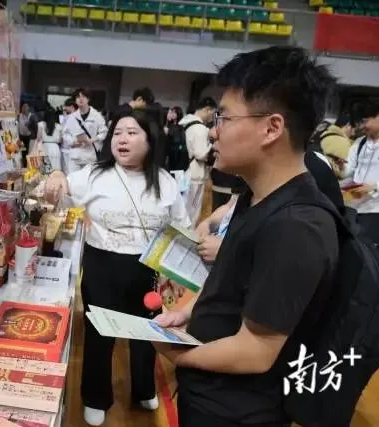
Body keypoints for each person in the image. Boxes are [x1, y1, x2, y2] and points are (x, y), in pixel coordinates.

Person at [154, 46, 339, 427]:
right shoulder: (254, 197)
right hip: (207, 394)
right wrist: (188, 312)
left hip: (237, 412)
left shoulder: (297, 226)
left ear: (272, 128)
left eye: (224, 117)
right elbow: (231, 283)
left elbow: (256, 350)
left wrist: (178, 355)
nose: (213, 130)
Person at [44, 110, 190, 426]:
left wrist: (175, 271)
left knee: (147, 330)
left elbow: (180, 226)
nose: (122, 139)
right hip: (103, 265)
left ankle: (143, 388)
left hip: (148, 268)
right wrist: (55, 175)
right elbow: (62, 183)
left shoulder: (164, 181)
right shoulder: (95, 174)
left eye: (132, 132)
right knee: (100, 333)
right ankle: (95, 397)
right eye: (118, 132)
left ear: (150, 140)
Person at [195, 127, 345, 263]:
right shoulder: (256, 170)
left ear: (272, 129)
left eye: (227, 119)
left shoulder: (310, 170)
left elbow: (294, 254)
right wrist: (208, 223)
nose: (213, 132)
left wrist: (228, 251)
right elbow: (232, 205)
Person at [343, 97, 379, 252]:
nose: (362, 127)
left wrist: (374, 187)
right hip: (354, 207)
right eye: (359, 123)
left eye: (365, 121)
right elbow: (349, 171)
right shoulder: (360, 143)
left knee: (368, 253)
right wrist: (340, 167)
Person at [180, 97, 217, 225]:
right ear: (207, 109)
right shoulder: (200, 129)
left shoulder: (184, 123)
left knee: (182, 209)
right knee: (192, 212)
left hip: (183, 172)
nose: (212, 117)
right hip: (196, 175)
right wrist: (212, 145)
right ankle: (187, 236)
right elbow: (201, 154)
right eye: (212, 113)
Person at [61, 88, 108, 173]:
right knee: (73, 179)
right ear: (75, 100)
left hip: (90, 157)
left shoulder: (97, 116)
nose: (80, 99)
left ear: (88, 99)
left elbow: (104, 132)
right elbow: (65, 134)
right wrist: (72, 142)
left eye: (83, 96)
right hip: (75, 156)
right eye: (78, 97)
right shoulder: (72, 117)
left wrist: (93, 139)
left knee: (88, 179)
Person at [164, 106, 189, 172]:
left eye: (174, 112)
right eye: (171, 112)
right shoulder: (169, 124)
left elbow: (180, 141)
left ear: (178, 114)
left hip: (177, 153)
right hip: (170, 152)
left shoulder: (181, 126)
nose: (172, 114)